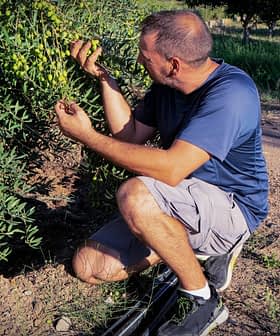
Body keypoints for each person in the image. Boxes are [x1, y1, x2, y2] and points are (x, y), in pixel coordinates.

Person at [55, 9, 268, 336]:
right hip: (178, 200)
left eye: (146, 56)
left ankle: (202, 300)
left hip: (232, 207)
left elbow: (170, 170)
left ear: (174, 63)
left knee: (134, 195)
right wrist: (104, 79)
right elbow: (129, 137)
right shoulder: (167, 86)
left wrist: (86, 136)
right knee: (88, 265)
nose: (141, 61)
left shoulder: (232, 94)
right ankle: (180, 243)